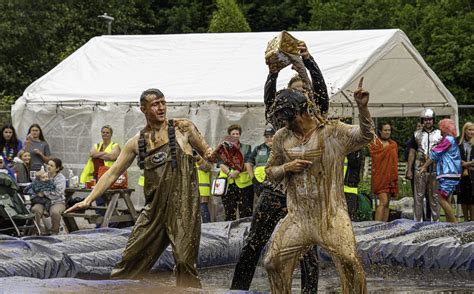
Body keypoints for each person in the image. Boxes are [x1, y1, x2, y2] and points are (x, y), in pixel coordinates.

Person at [65, 88, 217, 287]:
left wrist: (216, 155)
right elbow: (112, 173)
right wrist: (88, 200)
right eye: (155, 104)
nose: (161, 108)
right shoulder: (136, 142)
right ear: (143, 108)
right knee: (129, 262)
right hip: (153, 212)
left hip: (184, 210)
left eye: (163, 102)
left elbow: (208, 153)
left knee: (183, 261)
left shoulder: (183, 128)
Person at [231, 41, 325, 293]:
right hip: (276, 191)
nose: (302, 97)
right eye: (296, 93)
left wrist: (309, 61)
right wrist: (273, 73)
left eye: (305, 93)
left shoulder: (318, 120)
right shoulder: (282, 120)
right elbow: (270, 102)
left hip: (305, 196)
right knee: (254, 242)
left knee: (308, 250)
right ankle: (237, 290)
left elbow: (322, 98)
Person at [264, 77, 371, 294]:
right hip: (299, 217)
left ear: (303, 111)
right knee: (272, 262)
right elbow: (270, 173)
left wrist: (362, 108)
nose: (286, 124)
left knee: (350, 260)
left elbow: (366, 136)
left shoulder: (332, 131)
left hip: (331, 214)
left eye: (289, 118)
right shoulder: (282, 137)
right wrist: (286, 168)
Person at [418, 119, 461, 223]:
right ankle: (450, 224)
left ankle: (455, 224)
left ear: (445, 129)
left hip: (448, 173)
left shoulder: (448, 140)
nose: (439, 130)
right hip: (452, 173)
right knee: (447, 200)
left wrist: (424, 166)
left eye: (441, 128)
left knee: (441, 199)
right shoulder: (451, 140)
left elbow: (435, 154)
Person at [406, 109, 442, 221]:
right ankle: (417, 221)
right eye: (425, 119)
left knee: (435, 196)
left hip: (435, 168)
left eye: (430, 119)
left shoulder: (440, 134)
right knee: (418, 196)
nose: (428, 121)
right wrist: (409, 169)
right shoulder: (416, 134)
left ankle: (435, 221)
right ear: (422, 120)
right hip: (419, 168)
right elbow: (412, 152)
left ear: (433, 120)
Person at [80, 125, 121, 215]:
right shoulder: (97, 145)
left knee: (111, 198)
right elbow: (92, 154)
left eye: (107, 132)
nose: (105, 134)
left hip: (110, 175)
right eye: (103, 132)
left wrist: (98, 154)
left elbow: (112, 156)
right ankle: (100, 221)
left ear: (111, 134)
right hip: (96, 175)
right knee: (98, 199)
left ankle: (113, 221)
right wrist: (105, 153)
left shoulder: (115, 145)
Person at [218, 124, 254, 221]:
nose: (235, 135)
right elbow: (221, 163)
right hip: (228, 184)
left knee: (246, 211)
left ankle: (245, 233)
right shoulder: (223, 148)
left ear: (240, 135)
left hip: (244, 185)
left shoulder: (247, 148)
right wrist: (230, 173)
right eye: (233, 133)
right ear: (229, 135)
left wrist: (237, 171)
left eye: (237, 133)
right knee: (229, 211)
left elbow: (247, 162)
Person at [370, 122, 399, 222]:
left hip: (390, 177)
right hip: (380, 177)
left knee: (387, 203)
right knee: (383, 201)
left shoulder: (393, 145)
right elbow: (376, 159)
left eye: (389, 130)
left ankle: (385, 226)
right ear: (380, 131)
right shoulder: (376, 144)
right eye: (385, 130)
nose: (387, 132)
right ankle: (376, 225)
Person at [31, 158, 66, 235]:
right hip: (43, 201)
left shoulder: (61, 179)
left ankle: (54, 232)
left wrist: (44, 192)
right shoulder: (43, 175)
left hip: (57, 202)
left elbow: (58, 193)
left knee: (55, 212)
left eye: (51, 165)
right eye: (48, 165)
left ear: (57, 168)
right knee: (35, 209)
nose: (48, 167)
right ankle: (37, 231)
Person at [249, 127, 275, 197]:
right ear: (264, 137)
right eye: (267, 136)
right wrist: (253, 179)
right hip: (259, 181)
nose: (269, 138)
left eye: (271, 136)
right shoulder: (258, 148)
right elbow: (249, 164)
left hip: (275, 181)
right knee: (262, 203)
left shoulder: (279, 148)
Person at [458, 122, 474, 221]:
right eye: (470, 130)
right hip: (462, 174)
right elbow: (455, 157)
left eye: (473, 130)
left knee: (472, 199)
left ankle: (472, 222)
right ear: (465, 130)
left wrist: (466, 164)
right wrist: (462, 163)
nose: (472, 132)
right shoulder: (458, 142)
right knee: (463, 197)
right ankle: (465, 220)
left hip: (473, 174)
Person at [344, 149, 364, 222]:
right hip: (338, 186)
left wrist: (350, 152)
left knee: (351, 213)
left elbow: (355, 163)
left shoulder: (356, 150)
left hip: (351, 186)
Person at [194, 151, 212, 223]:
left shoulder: (204, 161)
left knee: (203, 209)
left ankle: (207, 226)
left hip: (202, 190)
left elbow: (207, 167)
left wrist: (199, 158)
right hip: (194, 190)